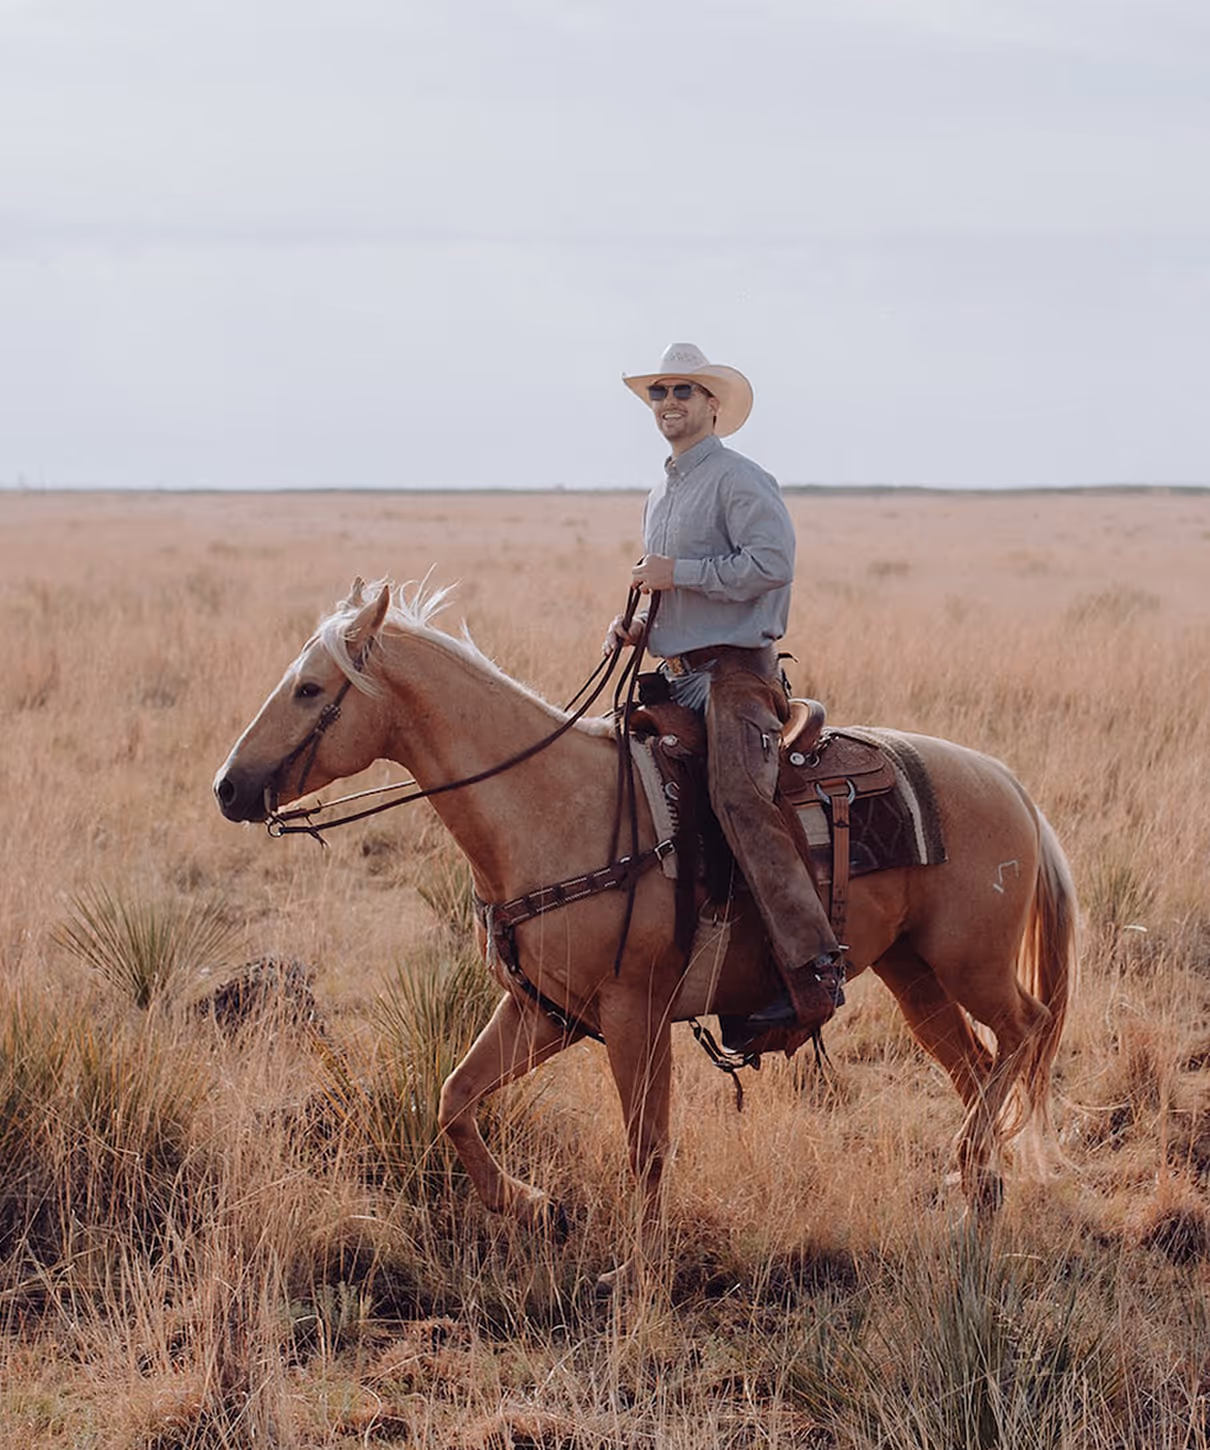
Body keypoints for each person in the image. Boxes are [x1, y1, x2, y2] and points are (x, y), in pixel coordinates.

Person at [602, 342, 844, 1049]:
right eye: (659, 393)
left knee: (739, 796)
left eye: (684, 391)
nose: (670, 402)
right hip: (679, 672)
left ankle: (810, 969)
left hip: (738, 674)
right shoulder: (661, 493)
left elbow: (771, 564)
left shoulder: (740, 479)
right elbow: (674, 589)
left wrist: (680, 573)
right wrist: (640, 623)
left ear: (712, 406)